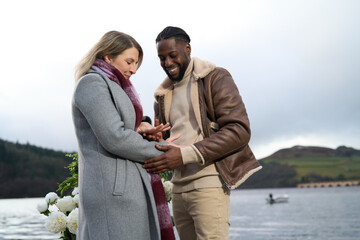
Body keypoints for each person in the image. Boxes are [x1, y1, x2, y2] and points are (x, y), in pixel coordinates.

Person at [143, 26, 262, 240]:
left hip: (209, 184)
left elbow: (239, 130)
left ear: (187, 49)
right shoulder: (162, 95)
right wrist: (154, 138)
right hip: (178, 190)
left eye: (172, 55)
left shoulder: (216, 77)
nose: (167, 63)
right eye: (161, 58)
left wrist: (184, 155)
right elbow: (168, 141)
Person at [72, 31, 175, 240]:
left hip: (124, 191)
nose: (134, 69)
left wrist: (142, 125)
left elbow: (122, 126)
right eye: (129, 61)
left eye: (136, 63)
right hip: (112, 193)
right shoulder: (92, 83)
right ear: (108, 57)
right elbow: (115, 137)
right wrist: (162, 149)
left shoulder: (115, 85)